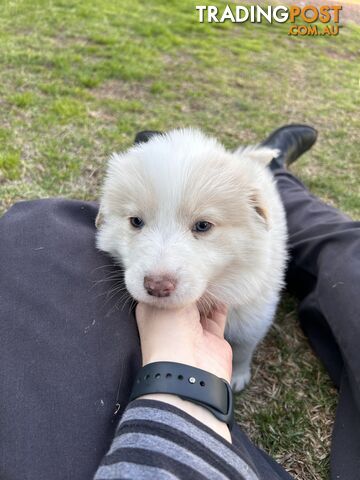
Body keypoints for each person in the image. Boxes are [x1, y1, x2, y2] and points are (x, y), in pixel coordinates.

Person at [0, 125, 358, 480]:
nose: (159, 274)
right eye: (137, 221)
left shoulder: (245, 216)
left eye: (202, 226)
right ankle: (251, 171)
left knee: (36, 223)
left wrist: (239, 366)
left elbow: (250, 326)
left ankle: (267, 169)